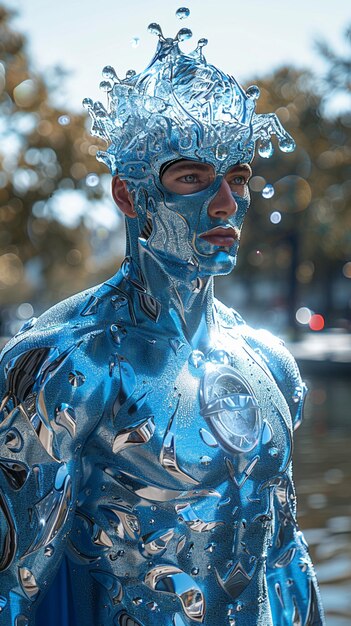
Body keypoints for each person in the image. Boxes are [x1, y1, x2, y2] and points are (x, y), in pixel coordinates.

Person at [0, 15, 325, 626]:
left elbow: (287, 559)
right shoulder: (69, 364)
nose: (225, 203)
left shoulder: (269, 364)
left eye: (236, 177)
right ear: (130, 196)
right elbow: (12, 589)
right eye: (192, 178)